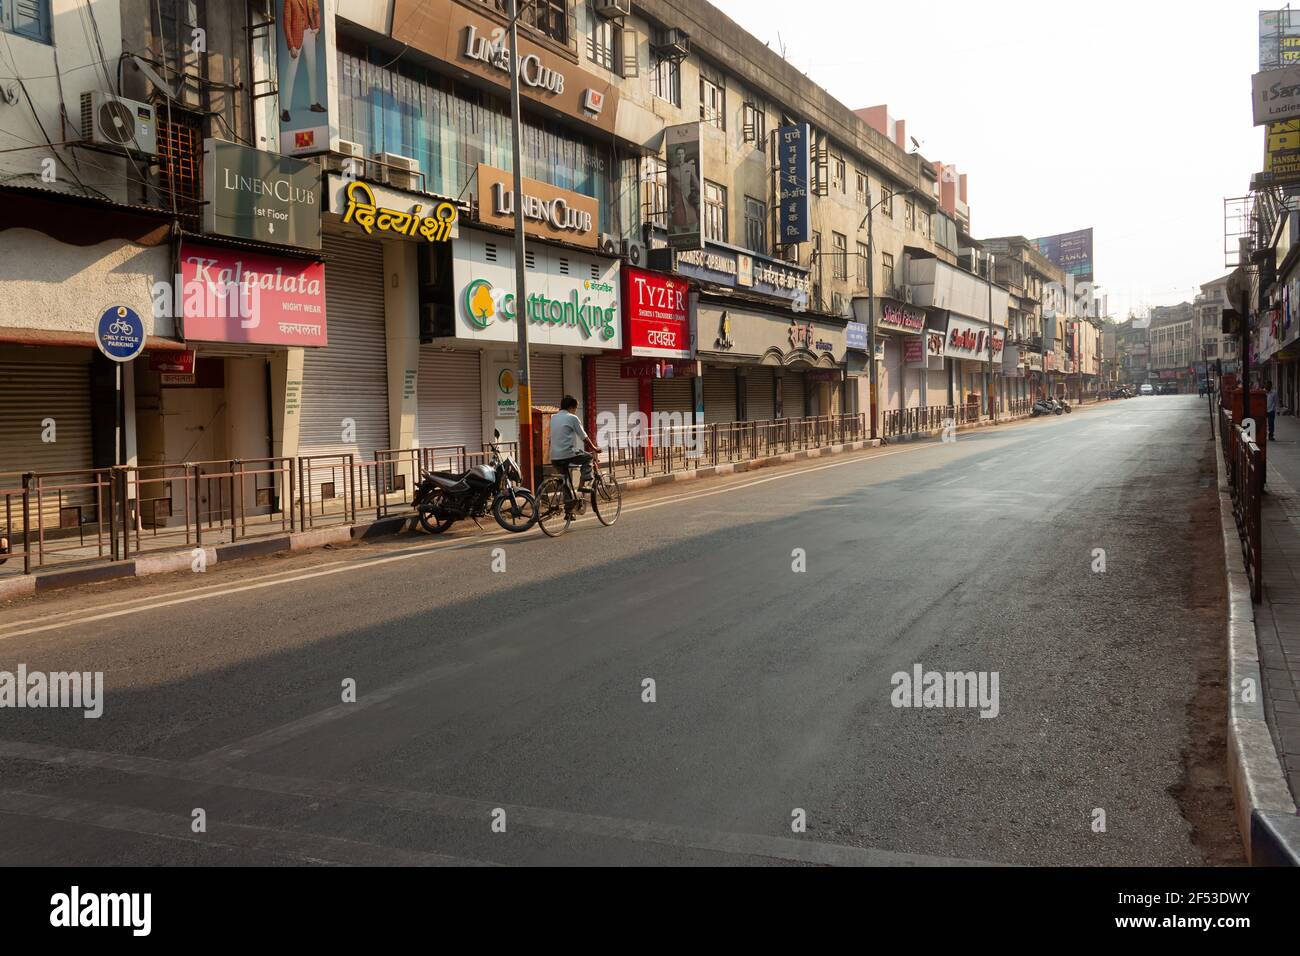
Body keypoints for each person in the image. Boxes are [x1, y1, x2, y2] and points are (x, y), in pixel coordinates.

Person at [281, 0, 326, 124]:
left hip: (309, 32)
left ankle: (313, 103)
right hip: (296, 37)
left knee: (312, 69)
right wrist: (291, 46)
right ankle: (285, 109)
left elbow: (316, 10)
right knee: (291, 73)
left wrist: (317, 27)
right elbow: (286, 22)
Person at [550, 395, 598, 494]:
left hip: (554, 456)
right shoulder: (572, 418)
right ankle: (581, 485)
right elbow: (583, 437)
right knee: (588, 457)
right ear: (571, 407)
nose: (576, 411)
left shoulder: (553, 417)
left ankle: (569, 505)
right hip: (568, 454)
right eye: (575, 408)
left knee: (565, 482)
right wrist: (594, 448)